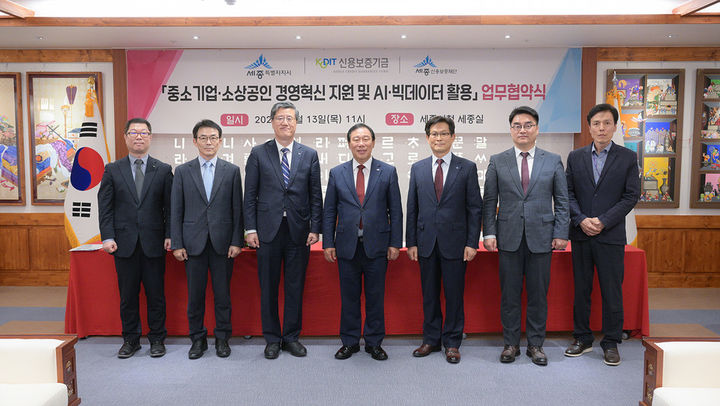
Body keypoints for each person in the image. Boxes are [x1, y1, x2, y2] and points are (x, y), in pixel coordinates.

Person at [482, 106, 569, 366]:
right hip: (508, 237)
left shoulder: (552, 160)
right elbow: (490, 201)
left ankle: (535, 345)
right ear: (511, 130)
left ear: (537, 129)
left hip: (542, 237)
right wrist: (489, 232)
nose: (523, 130)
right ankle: (510, 344)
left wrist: (561, 232)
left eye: (528, 125)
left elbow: (562, 200)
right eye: (517, 125)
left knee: (538, 295)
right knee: (509, 295)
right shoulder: (498, 161)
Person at [244, 102, 323, 359]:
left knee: (295, 286)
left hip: (298, 231)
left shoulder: (309, 154)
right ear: (272, 122)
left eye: (289, 118)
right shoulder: (258, 153)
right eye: (280, 118)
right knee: (268, 287)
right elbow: (250, 195)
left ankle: (291, 337)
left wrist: (316, 227)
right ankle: (271, 339)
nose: (285, 122)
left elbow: (315, 195)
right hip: (267, 231)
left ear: (296, 123)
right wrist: (250, 228)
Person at [564, 103, 640, 366]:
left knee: (611, 291)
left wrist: (604, 221)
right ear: (589, 127)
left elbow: (631, 195)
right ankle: (582, 338)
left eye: (607, 123)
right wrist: (581, 219)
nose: (601, 128)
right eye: (596, 123)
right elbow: (567, 193)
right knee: (581, 290)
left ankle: (611, 342)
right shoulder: (575, 157)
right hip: (581, 234)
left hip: (610, 235)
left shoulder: (627, 157)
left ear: (615, 126)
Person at [322, 123, 403, 361]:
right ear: (349, 144)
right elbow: (329, 211)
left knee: (375, 297)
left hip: (377, 245)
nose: (361, 144)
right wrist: (328, 243)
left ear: (373, 142)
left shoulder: (387, 171)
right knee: (349, 297)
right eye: (356, 139)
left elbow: (395, 211)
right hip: (346, 245)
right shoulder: (337, 172)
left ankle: (374, 343)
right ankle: (349, 342)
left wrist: (395, 243)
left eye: (365, 139)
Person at [406, 115, 482, 364]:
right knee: (429, 294)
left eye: (443, 133)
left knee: (454, 295)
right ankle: (430, 339)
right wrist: (411, 242)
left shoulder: (467, 167)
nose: (438, 138)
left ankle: (452, 342)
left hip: (456, 244)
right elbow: (412, 207)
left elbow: (475, 208)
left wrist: (472, 242)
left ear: (453, 137)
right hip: (426, 242)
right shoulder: (418, 168)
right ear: (427, 138)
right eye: (434, 134)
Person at [98, 118, 172, 359]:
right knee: (128, 296)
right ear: (125, 137)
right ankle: (130, 340)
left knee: (156, 295)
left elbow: (170, 207)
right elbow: (105, 207)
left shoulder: (163, 170)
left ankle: (157, 339)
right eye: (134, 132)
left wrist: (170, 235)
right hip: (123, 243)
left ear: (150, 137)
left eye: (143, 132)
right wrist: (107, 236)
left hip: (154, 243)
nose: (139, 136)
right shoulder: (112, 169)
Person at [171, 119, 243, 359]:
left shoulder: (231, 171)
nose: (208, 142)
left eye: (213, 138)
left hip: (223, 244)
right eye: (203, 138)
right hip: (192, 244)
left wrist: (236, 241)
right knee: (195, 296)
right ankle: (197, 339)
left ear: (220, 141)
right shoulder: (183, 171)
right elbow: (176, 210)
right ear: (195, 141)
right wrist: (177, 243)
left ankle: (222, 339)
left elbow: (237, 209)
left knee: (223, 296)